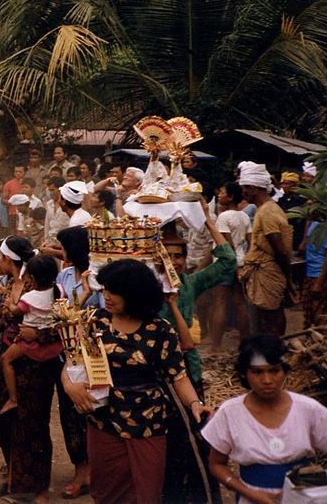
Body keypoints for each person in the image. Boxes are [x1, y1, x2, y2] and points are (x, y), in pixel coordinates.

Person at [61, 259, 211, 504]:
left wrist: (194, 403)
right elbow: (72, 363)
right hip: (103, 421)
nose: (106, 296)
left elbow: (178, 376)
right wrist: (70, 385)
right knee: (107, 491)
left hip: (148, 423)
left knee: (147, 492)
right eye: (105, 289)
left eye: (114, 291)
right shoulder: (94, 322)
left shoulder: (161, 330)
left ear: (135, 294)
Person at [158, 205, 236, 503]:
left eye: (179, 255)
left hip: (188, 370)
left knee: (195, 437)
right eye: (168, 254)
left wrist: (206, 217)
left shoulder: (191, 283)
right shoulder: (146, 288)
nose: (174, 261)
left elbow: (227, 261)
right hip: (159, 376)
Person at [0, 235, 58, 503]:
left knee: (34, 425)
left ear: (7, 259)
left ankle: (39, 488)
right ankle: (15, 479)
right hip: (6, 358)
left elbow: (60, 325)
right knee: (6, 422)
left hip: (34, 366)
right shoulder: (6, 284)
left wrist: (36, 335)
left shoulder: (37, 288)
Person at [203, 335, 327, 504]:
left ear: (285, 371)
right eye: (257, 372)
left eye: (274, 371)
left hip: (304, 497)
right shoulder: (230, 412)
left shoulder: (308, 409)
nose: (267, 380)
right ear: (244, 373)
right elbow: (216, 464)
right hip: (252, 497)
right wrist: (249, 493)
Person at [53, 226, 95, 498]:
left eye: (64, 247)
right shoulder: (65, 275)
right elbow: (61, 313)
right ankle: (81, 468)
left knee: (92, 412)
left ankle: (93, 469)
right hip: (67, 355)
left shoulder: (98, 277)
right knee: (70, 416)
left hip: (93, 355)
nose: (62, 252)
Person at [0, 254, 63, 415]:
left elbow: (15, 311)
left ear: (32, 278)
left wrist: (9, 303)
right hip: (53, 344)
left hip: (28, 343)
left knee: (6, 359)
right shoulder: (59, 291)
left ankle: (13, 399)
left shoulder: (29, 298)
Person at [238, 162, 293, 336]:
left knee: (269, 316)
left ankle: (272, 353)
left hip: (267, 271)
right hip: (267, 270)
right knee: (269, 315)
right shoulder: (267, 209)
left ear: (254, 188)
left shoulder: (266, 212)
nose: (243, 192)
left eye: (245, 188)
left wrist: (288, 278)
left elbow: (280, 249)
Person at [210, 181, 252, 352]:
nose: (219, 195)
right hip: (240, 261)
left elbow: (227, 246)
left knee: (219, 303)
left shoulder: (224, 217)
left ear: (231, 196)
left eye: (222, 192)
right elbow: (250, 242)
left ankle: (216, 346)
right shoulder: (244, 216)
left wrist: (233, 266)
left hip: (226, 264)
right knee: (240, 303)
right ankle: (245, 343)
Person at [301, 219, 327, 327]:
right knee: (310, 312)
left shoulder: (325, 227)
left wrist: (319, 283)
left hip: (320, 276)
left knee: (320, 314)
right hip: (311, 273)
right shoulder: (313, 224)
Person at [276, 171, 306, 253]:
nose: (284, 186)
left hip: (297, 236)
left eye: (287, 184)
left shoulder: (302, 200)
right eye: (283, 184)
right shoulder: (281, 200)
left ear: (295, 185)